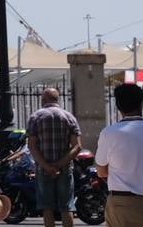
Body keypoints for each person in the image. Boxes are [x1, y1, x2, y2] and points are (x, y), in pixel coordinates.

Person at [97, 83, 143, 227]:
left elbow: (101, 171)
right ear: (141, 103)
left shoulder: (109, 133)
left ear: (118, 106)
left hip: (120, 202)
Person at [27, 87, 81, 227]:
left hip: (43, 169)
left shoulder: (36, 117)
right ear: (57, 99)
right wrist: (59, 165)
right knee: (66, 206)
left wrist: (47, 166)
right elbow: (77, 147)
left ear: (43, 99)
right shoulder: (69, 117)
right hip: (64, 169)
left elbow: (32, 146)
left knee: (47, 207)